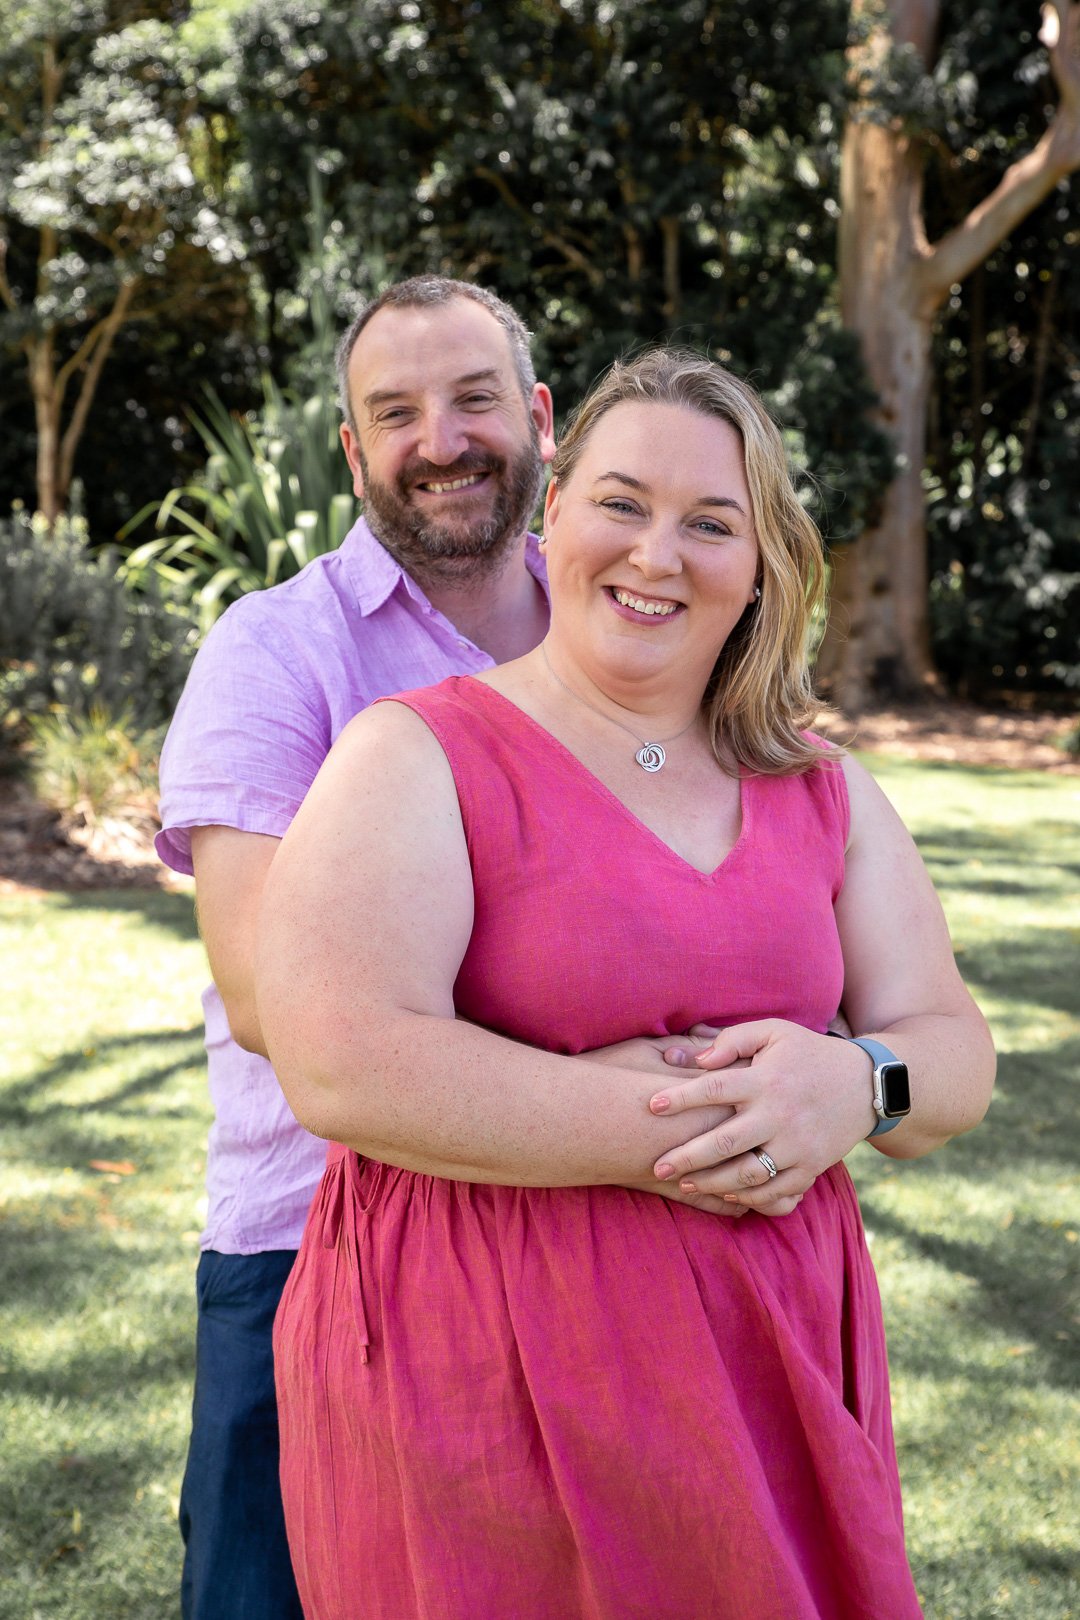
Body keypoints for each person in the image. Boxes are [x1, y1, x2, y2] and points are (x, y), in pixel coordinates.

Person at [256, 348, 996, 1619]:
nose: (658, 554)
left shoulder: (821, 787)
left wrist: (856, 1084)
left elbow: (955, 1049)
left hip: (771, 1361)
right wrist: (711, 1127)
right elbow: (340, 1060)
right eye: (622, 503)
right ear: (554, 515)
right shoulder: (413, 756)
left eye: (710, 523)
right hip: (480, 1373)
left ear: (760, 565)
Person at [156, 282, 772, 1619]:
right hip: (316, 1251)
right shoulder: (278, 655)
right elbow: (271, 1002)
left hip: (612, 1246)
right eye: (396, 413)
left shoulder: (634, 610)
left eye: (475, 399)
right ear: (351, 450)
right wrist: (637, 1079)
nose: (441, 440)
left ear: (541, 418)